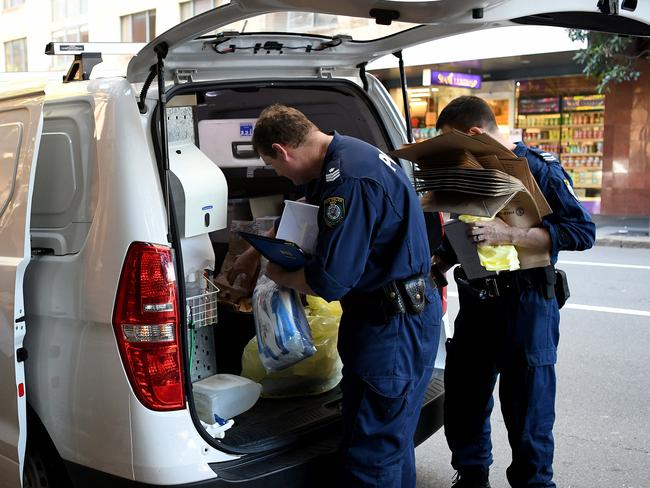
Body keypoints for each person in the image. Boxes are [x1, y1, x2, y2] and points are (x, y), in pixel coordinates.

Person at [249, 104, 442, 487]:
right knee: (391, 441)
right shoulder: (347, 155)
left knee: (371, 455)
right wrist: (264, 245)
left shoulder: (348, 180)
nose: (281, 175)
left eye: (274, 166)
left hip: (392, 328)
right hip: (394, 316)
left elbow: (331, 281)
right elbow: (313, 218)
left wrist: (277, 274)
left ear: (282, 150)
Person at [432, 96, 596, 488]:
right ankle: (472, 475)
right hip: (476, 301)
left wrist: (510, 234)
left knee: (528, 411)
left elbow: (582, 232)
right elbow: (467, 230)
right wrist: (441, 260)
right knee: (465, 399)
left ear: (474, 133)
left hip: (526, 302)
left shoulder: (538, 170)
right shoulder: (468, 172)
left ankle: (533, 482)